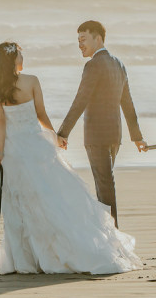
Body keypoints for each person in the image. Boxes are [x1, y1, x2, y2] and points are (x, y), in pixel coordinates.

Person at [0, 41, 141, 274]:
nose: (23, 57)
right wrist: (55, 136)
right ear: (13, 60)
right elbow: (41, 114)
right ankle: (56, 252)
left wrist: (0, 152)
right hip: (36, 146)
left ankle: (26, 259)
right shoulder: (31, 81)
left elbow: (1, 123)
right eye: (20, 53)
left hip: (13, 151)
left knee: (19, 204)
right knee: (50, 199)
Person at [56, 20, 147, 228]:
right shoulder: (118, 64)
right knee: (106, 185)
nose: (80, 45)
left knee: (104, 188)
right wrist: (137, 136)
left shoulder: (93, 65)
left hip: (96, 137)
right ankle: (111, 234)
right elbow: (128, 103)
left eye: (83, 39)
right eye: (78, 40)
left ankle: (112, 237)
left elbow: (81, 100)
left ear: (98, 38)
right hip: (114, 136)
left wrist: (63, 132)